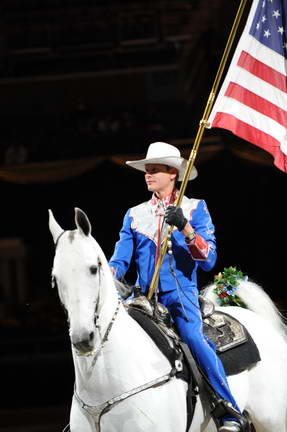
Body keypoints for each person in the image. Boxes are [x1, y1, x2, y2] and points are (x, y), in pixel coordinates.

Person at [109, 141, 244, 432]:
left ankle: (228, 411)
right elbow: (120, 260)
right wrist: (106, 274)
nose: (148, 174)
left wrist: (185, 227)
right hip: (143, 300)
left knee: (194, 339)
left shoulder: (195, 209)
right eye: (147, 170)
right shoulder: (134, 214)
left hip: (180, 298)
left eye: (154, 169)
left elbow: (208, 261)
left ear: (173, 173)